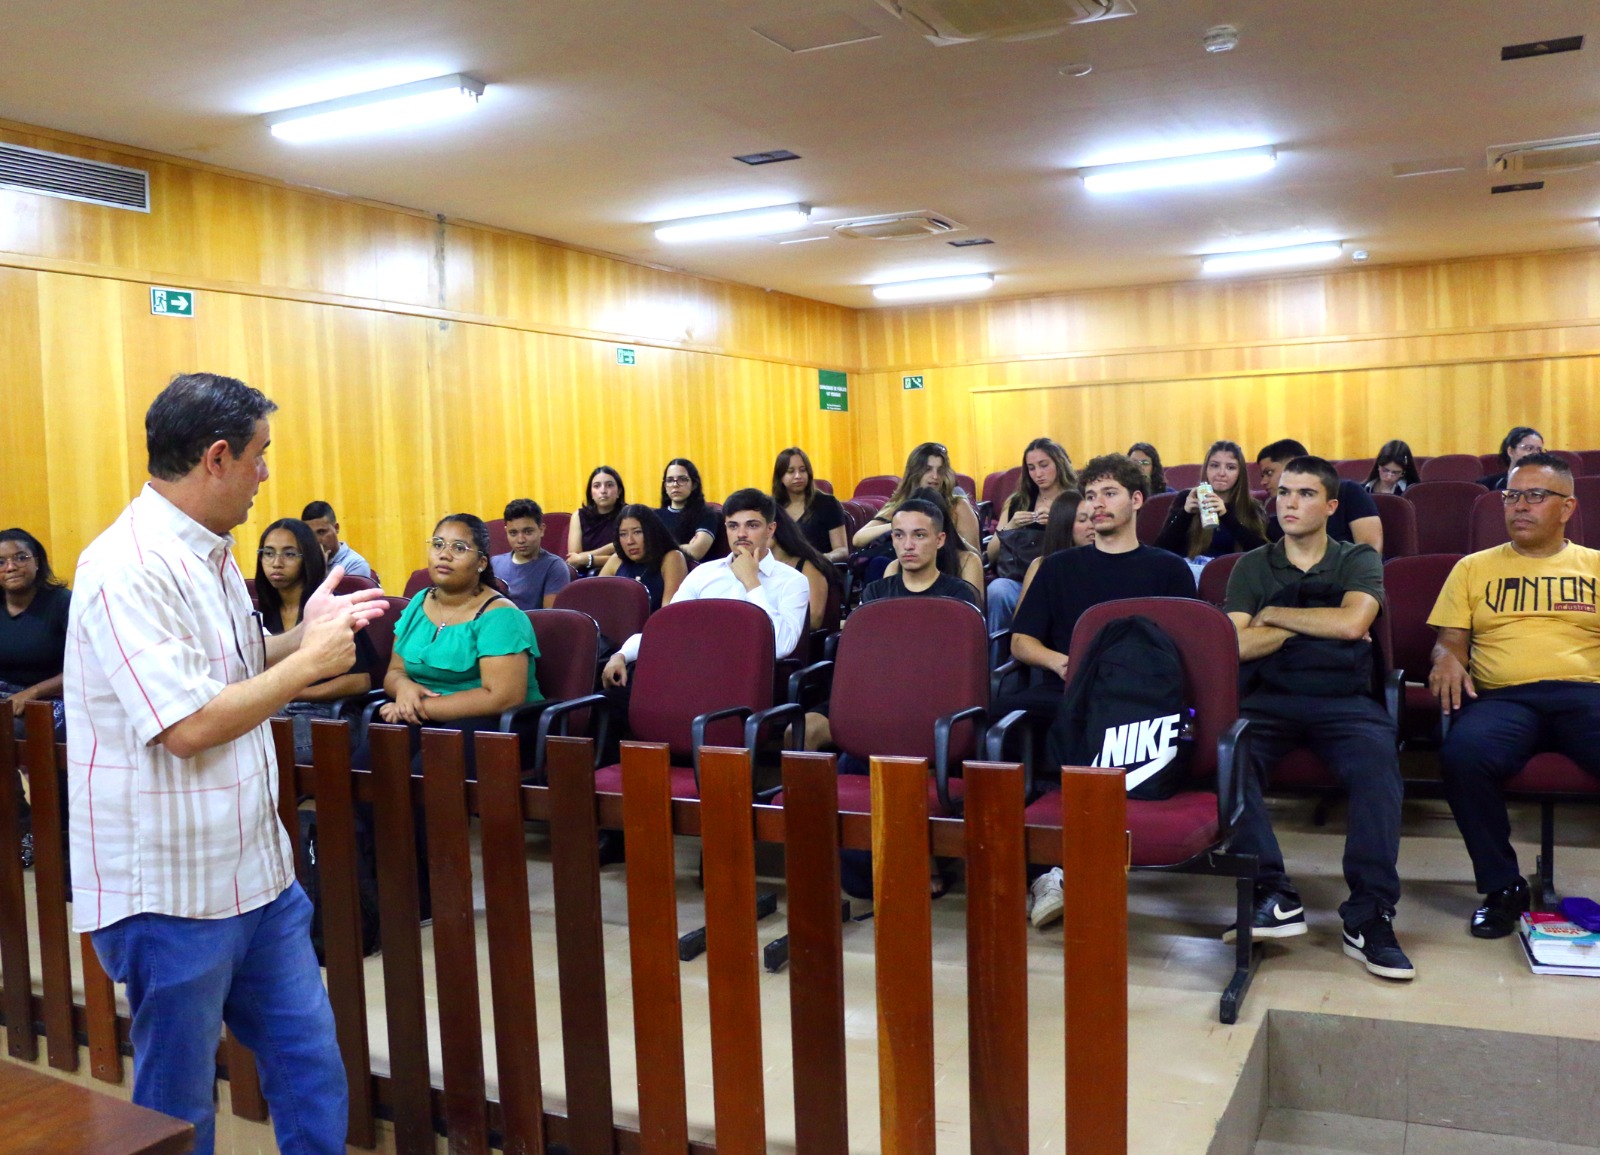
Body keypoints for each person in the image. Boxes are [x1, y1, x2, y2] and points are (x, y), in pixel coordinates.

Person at [66, 372, 385, 1155]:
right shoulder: (128, 565)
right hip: (172, 891)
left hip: (257, 875)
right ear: (216, 457)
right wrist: (307, 664)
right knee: (178, 1106)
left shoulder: (210, 551)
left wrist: (299, 634)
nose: (265, 473)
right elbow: (188, 723)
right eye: (258, 454)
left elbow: (229, 671)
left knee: (311, 1068)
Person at [1222, 455, 1412, 980]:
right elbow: (1233, 646)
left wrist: (1274, 616)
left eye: (1305, 494)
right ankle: (1273, 892)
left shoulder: (1357, 559)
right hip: (1268, 698)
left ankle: (1369, 914)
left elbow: (1353, 624)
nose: (1289, 503)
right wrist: (1313, 624)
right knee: (1230, 758)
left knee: (1378, 767)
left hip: (1345, 700)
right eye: (1283, 492)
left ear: (1330, 506)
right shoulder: (1252, 565)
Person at [1003, 454, 1195, 927]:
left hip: (1137, 700)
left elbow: (1183, 651)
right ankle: (1039, 869)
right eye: (1090, 496)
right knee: (1001, 722)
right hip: (1068, 688)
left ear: (1137, 500)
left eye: (1109, 494)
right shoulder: (1058, 568)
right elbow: (1021, 641)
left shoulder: (1169, 569)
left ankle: (1069, 865)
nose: (1096, 505)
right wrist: (1059, 662)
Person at [1426, 451, 1600, 938]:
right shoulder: (1472, 568)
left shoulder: (1595, 566)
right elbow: (1450, 640)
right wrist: (1445, 658)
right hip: (1505, 699)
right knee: (1463, 755)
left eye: (1535, 496)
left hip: (1586, 695)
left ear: (1567, 508)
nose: (1519, 506)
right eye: (1512, 496)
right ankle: (1503, 887)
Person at [374, 513, 541, 775]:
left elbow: (501, 698)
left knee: (424, 774)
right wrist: (404, 687)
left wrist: (416, 707)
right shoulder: (418, 602)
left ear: (481, 563)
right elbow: (395, 671)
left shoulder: (501, 615)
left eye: (459, 548)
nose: (444, 555)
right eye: (438, 544)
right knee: (369, 766)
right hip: (426, 718)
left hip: (495, 725)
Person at [602, 489, 810, 688]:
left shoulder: (793, 581)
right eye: (733, 526)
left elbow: (781, 646)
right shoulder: (703, 574)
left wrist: (751, 582)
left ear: (770, 529)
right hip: (690, 673)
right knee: (612, 696)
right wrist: (622, 655)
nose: (741, 534)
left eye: (752, 525)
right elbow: (666, 628)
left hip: (747, 682)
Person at [256, 518, 376, 762]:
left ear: (308, 558)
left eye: (289, 554)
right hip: (275, 709)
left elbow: (360, 681)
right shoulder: (259, 610)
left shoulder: (330, 606)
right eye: (268, 553)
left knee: (264, 752)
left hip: (330, 714)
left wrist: (297, 693)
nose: (276, 562)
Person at [0, 528, 70, 869]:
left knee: (12, 735)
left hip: (55, 697)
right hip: (5, 697)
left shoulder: (61, 602)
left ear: (37, 561)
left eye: (20, 557)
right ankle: (20, 825)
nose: (10, 567)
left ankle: (52, 833)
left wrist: (32, 693)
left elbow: (84, 665)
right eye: (0, 562)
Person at [985, 438, 1076, 635]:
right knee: (997, 589)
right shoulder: (1018, 502)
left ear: (1059, 463)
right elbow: (991, 555)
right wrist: (1011, 527)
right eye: (1031, 468)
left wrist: (1058, 524)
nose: (1038, 474)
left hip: (1061, 581)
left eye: (1044, 465)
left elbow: (1086, 544)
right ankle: (998, 649)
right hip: (1018, 580)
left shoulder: (1076, 500)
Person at [851, 442, 981, 555]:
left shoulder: (957, 506)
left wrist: (949, 534)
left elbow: (975, 555)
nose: (935, 476)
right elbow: (858, 539)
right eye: (928, 469)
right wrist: (901, 525)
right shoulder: (900, 502)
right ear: (915, 472)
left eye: (940, 470)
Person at [1256, 438, 1382, 554]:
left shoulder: (1348, 491)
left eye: (1269, 472)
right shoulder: (1273, 511)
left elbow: (1369, 549)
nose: (1263, 481)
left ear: (1294, 463)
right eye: (1284, 493)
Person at [1155, 440, 1269, 562]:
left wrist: (1226, 516)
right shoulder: (1186, 498)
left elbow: (1263, 554)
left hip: (1231, 571)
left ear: (1240, 473)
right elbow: (1160, 551)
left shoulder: (1252, 507)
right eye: (1214, 466)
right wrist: (1185, 514)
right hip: (1190, 570)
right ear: (1206, 469)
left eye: (1231, 467)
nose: (1221, 473)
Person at [863, 499, 981, 608]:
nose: (908, 546)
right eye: (899, 535)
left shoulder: (959, 594)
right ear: (893, 539)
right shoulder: (876, 593)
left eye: (919, 535)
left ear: (939, 540)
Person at [598, 504, 688, 611]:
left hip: (657, 621)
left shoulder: (672, 558)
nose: (630, 541)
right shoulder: (616, 560)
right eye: (623, 534)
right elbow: (595, 601)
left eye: (637, 532)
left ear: (652, 532)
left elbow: (669, 612)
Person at [1015, 490, 1094, 608]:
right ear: (1064, 525)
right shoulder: (1040, 566)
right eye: (1082, 520)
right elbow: (1024, 617)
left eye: (1093, 519)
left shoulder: (1104, 560)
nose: (1092, 526)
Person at [769, 507, 843, 631]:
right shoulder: (748, 566)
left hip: (797, 638)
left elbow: (814, 620)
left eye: (753, 526)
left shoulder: (809, 567)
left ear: (774, 529)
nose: (743, 534)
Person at [491, 498, 571, 611]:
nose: (520, 540)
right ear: (506, 531)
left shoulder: (555, 567)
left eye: (528, 532)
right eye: (513, 533)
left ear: (541, 530)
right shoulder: (493, 564)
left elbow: (551, 616)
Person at [773, 446, 847, 562]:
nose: (798, 476)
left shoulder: (828, 504)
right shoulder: (772, 508)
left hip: (819, 567)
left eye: (803, 470)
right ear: (780, 477)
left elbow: (842, 550)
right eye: (790, 471)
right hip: (783, 569)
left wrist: (824, 558)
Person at [657, 457, 720, 562]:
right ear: (665, 486)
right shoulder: (655, 516)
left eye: (682, 479)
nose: (675, 485)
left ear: (694, 484)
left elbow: (695, 552)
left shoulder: (706, 514)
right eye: (670, 480)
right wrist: (683, 547)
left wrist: (659, 549)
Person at [567, 465, 625, 574]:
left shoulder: (628, 514)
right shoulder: (579, 516)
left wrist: (588, 559)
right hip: (584, 575)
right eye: (597, 486)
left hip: (620, 574)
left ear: (619, 491)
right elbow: (574, 560)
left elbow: (626, 558)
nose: (603, 490)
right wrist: (612, 547)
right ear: (591, 493)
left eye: (609, 485)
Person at [300, 500, 375, 581]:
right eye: (310, 534)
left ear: (336, 528)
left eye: (321, 532)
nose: (316, 540)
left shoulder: (355, 564)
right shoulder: (301, 561)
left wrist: (319, 569)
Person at [1476, 426, 1545, 491]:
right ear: (1510, 451)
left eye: (1539, 450)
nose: (1535, 453)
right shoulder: (1487, 485)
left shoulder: (1546, 484)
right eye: (1529, 448)